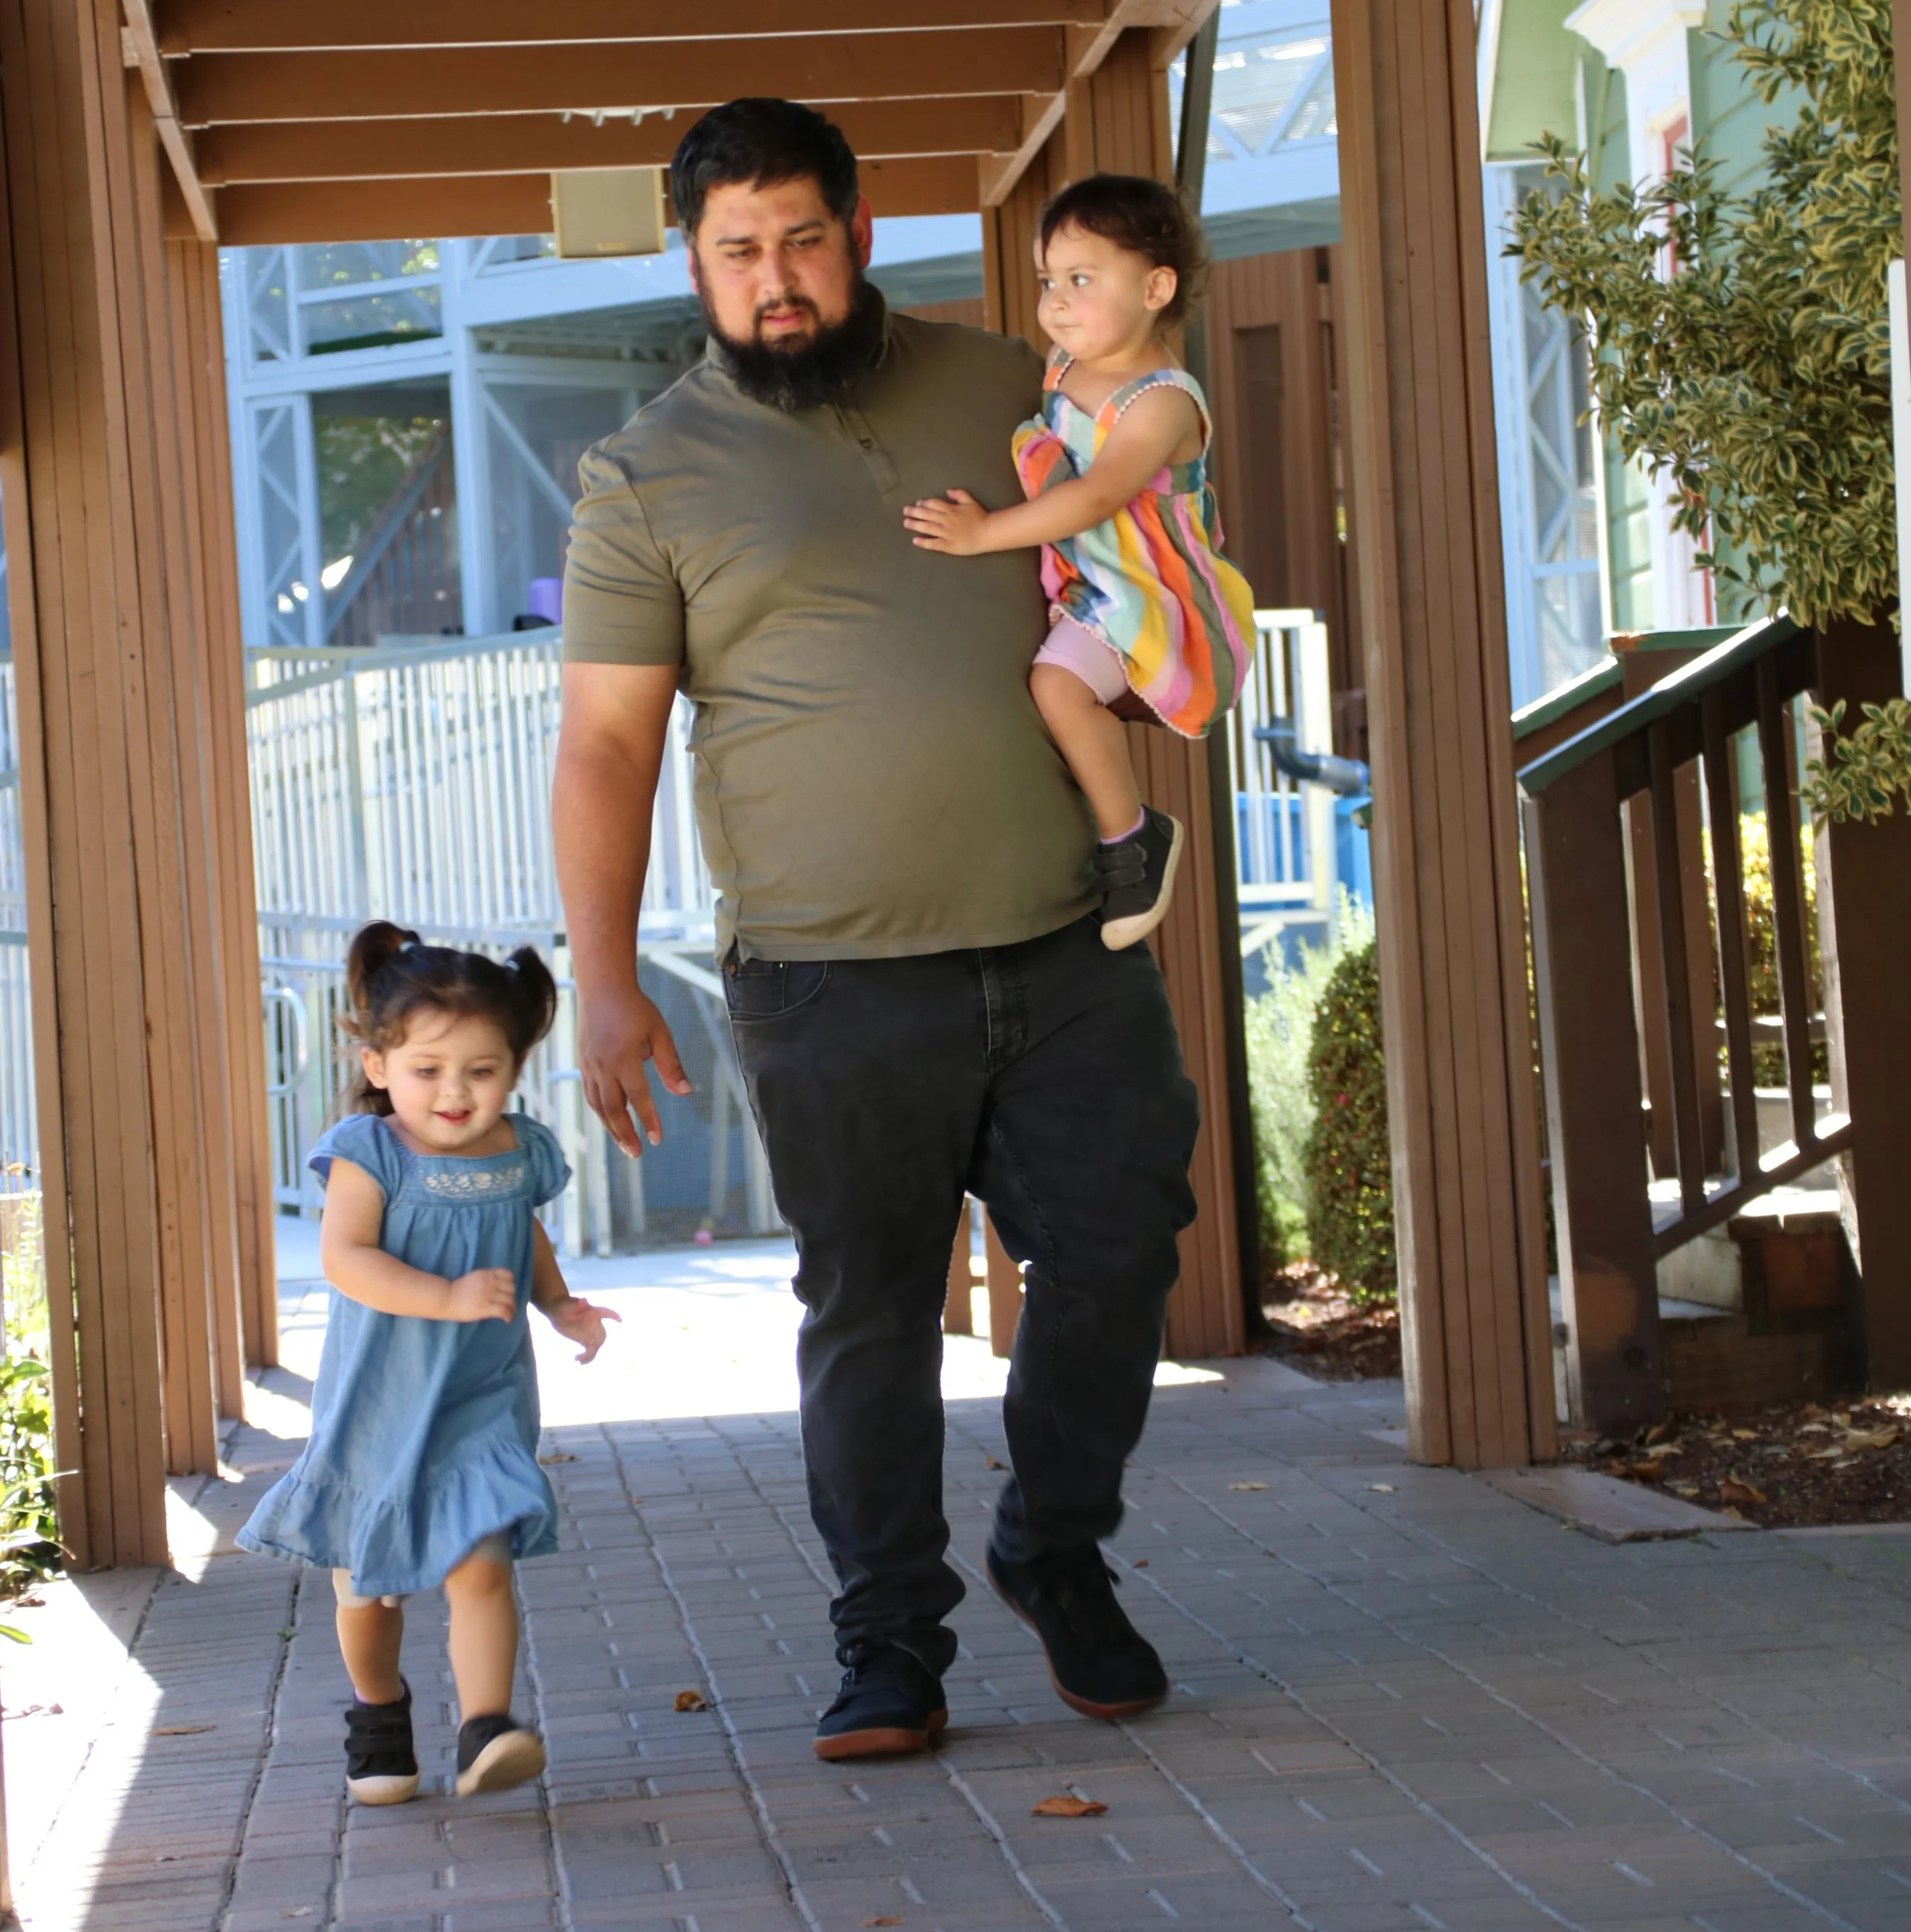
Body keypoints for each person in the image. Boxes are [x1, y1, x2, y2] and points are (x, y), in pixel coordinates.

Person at [555, 97, 1201, 1764]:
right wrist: (606, 980)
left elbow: (1147, 488)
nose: (775, 279)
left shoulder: (1005, 384)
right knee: (869, 1311)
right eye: (736, 250)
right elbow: (610, 744)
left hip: (1068, 943)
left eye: (803, 238)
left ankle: (1051, 1545)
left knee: (1120, 1244)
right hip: (827, 977)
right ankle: (887, 1644)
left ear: (860, 230)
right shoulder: (643, 472)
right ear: (694, 262)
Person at [237, 923, 618, 1805]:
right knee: (369, 1595)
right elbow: (346, 1258)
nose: (456, 1092)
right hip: (379, 1408)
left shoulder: (516, 1151)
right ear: (378, 1065)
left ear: (514, 1071)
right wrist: (445, 1296)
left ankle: (487, 1724)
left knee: (481, 1560)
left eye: (481, 1071)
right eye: (429, 1070)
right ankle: (379, 1705)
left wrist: (560, 1305)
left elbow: (522, 1229)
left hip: (482, 1402)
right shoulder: (368, 1153)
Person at [905, 173, 1256, 950]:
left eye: (1081, 279)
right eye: (1048, 281)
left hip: (1143, 588)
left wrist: (982, 533)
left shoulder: (1161, 400)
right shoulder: (1064, 367)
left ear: (1155, 287)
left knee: (1055, 687)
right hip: (1087, 578)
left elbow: (1098, 496)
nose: (1057, 300)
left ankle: (1129, 836)